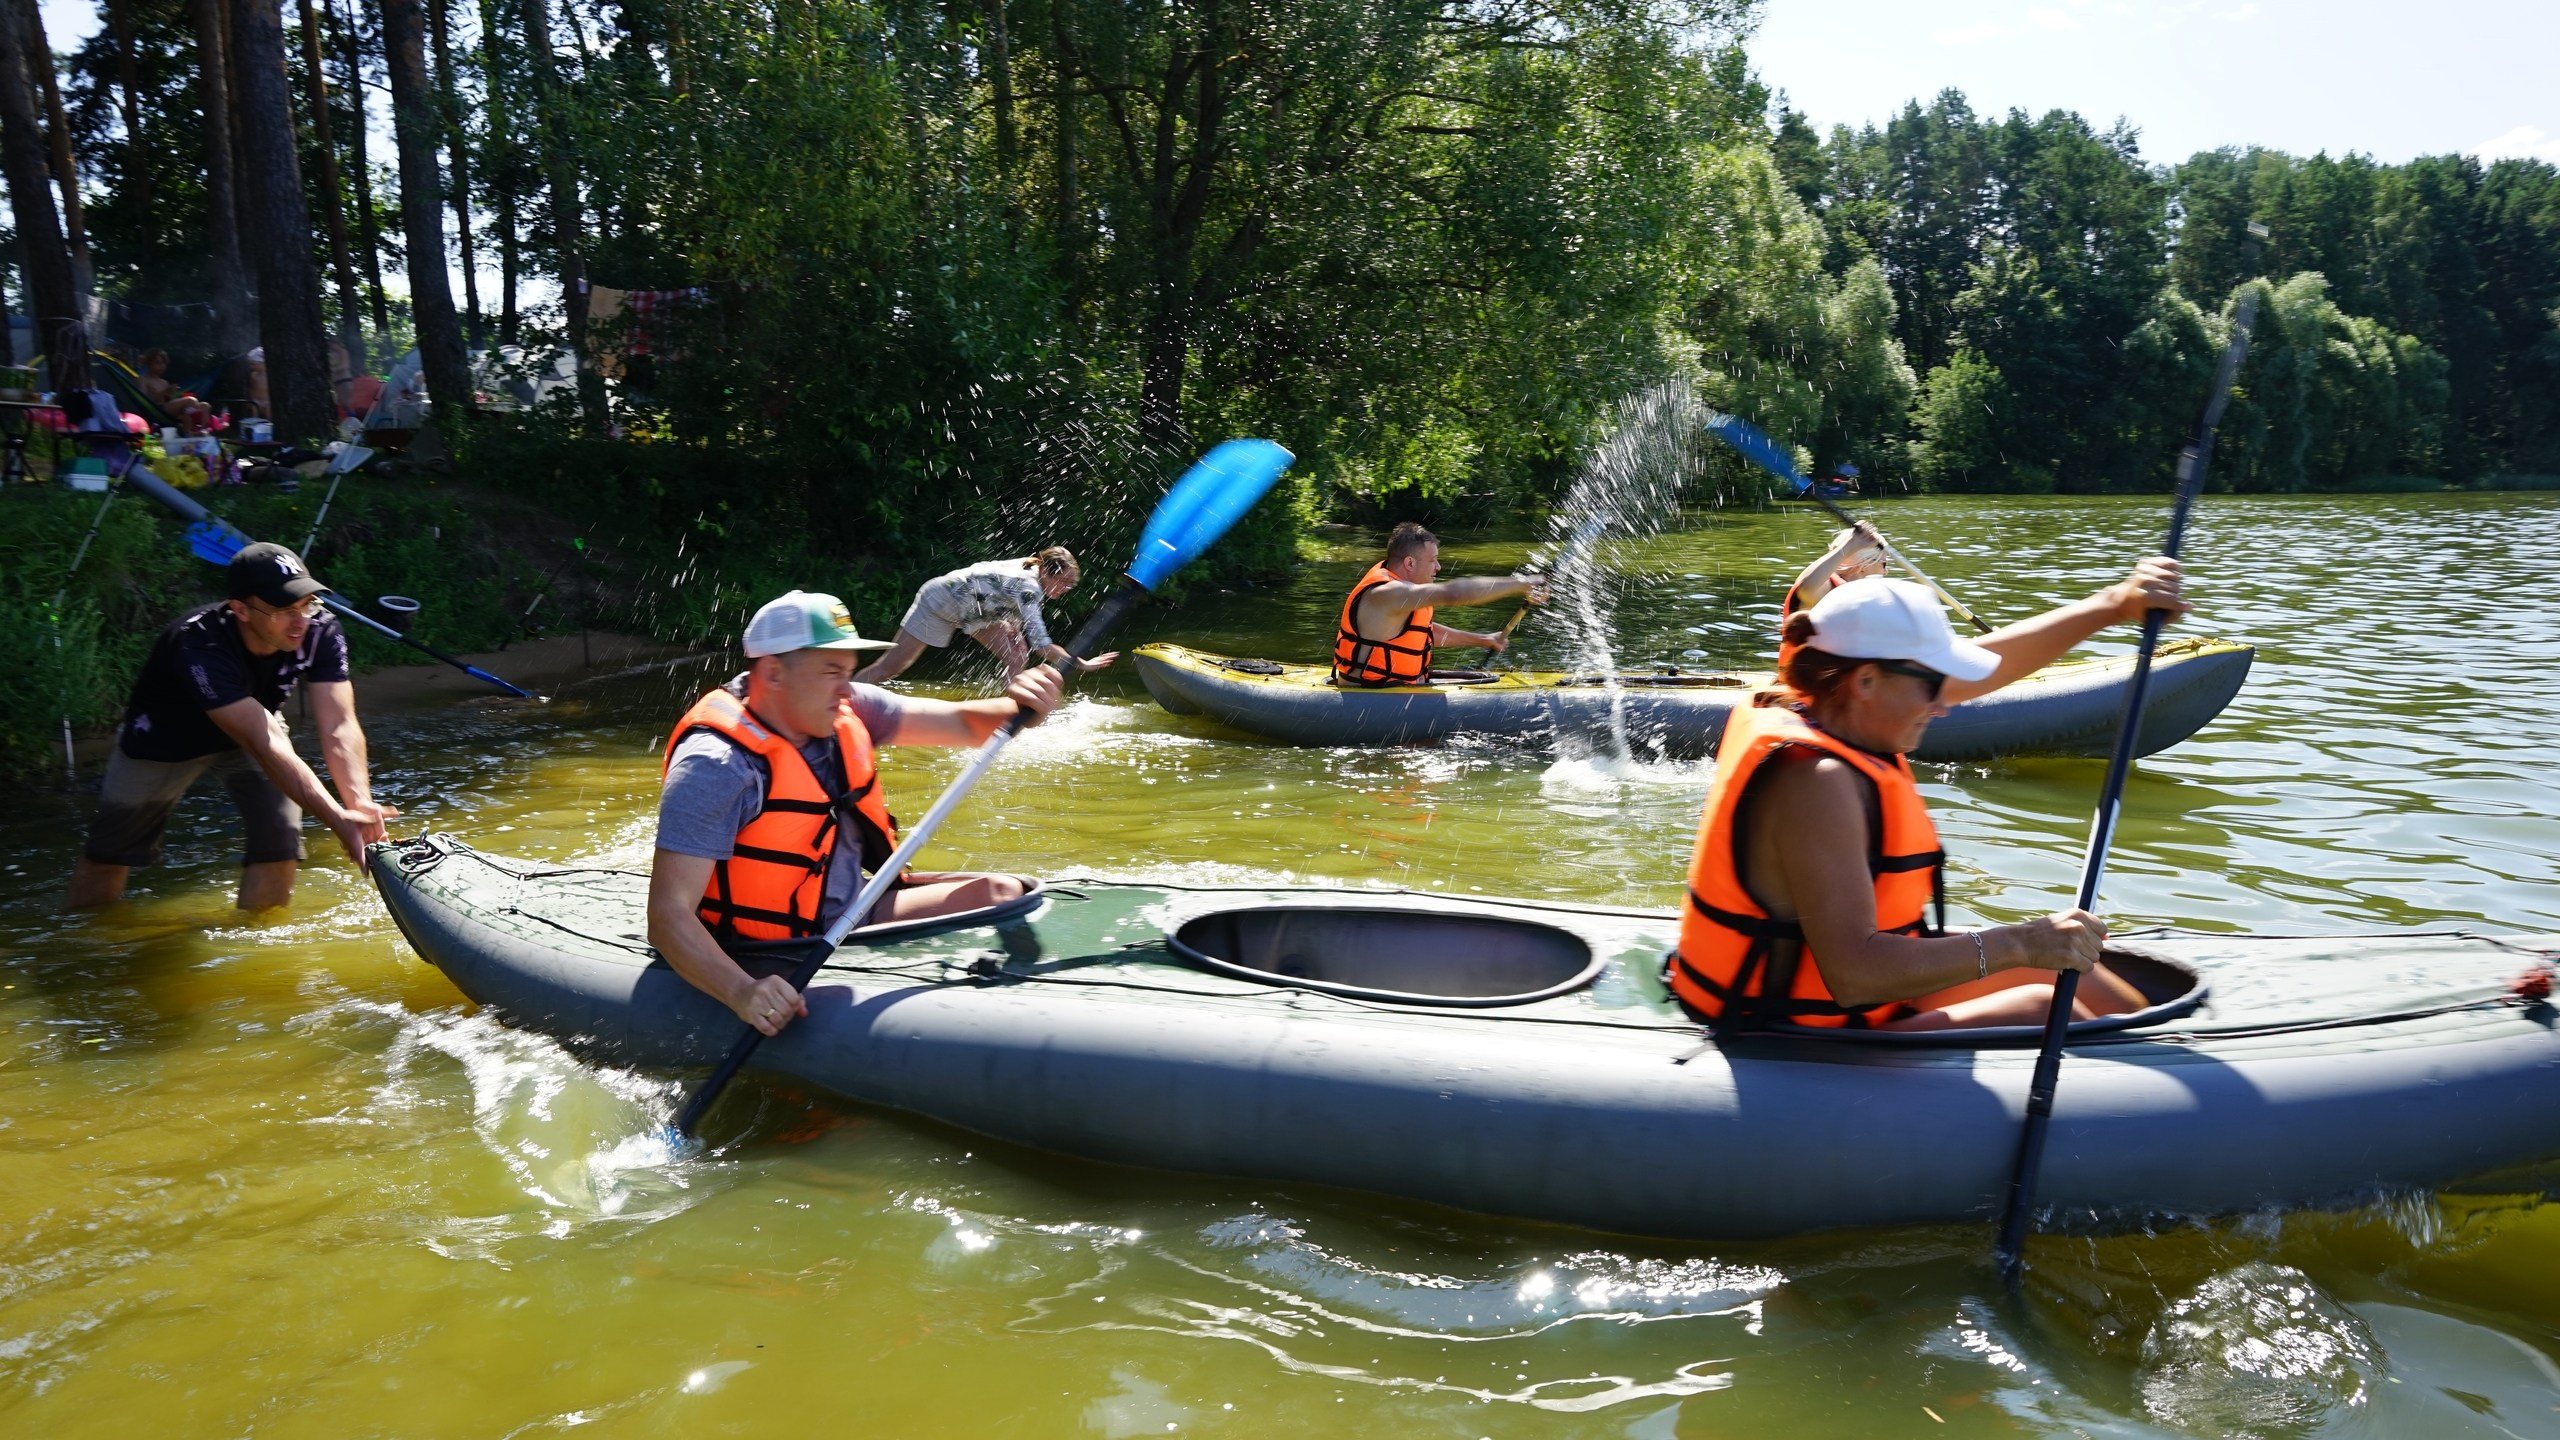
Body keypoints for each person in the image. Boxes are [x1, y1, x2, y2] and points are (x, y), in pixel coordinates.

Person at [1669, 563, 2188, 1033]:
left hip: (1854, 999)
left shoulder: (1831, 692)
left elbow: (1990, 663)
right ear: (1866, 681)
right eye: (1932, 684)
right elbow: (1854, 976)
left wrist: (2114, 604)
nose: (1944, 704)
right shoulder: (1816, 780)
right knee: (2042, 1006)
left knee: (2090, 986)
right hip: (1790, 1030)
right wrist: (2021, 942)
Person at [650, 590, 1067, 1036]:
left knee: (1001, 891)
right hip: (771, 947)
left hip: (852, 912)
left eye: (849, 671)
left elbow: (966, 724)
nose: (847, 689)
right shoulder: (717, 765)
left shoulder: (845, 708)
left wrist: (1026, 705)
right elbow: (668, 917)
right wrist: (741, 992)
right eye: (832, 672)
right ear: (772, 673)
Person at [64, 544, 395, 911]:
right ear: (240, 609)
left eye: (308, 604)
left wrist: (357, 804)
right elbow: (263, 740)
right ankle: (84, 937)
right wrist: (335, 818)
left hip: (256, 726)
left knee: (280, 843)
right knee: (110, 854)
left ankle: (259, 947)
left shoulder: (319, 629)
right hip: (164, 742)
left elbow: (339, 723)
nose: (301, 620)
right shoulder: (199, 643)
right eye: (285, 610)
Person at [854, 547, 1117, 685]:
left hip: (972, 611)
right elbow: (1042, 646)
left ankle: (1007, 717)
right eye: (1066, 583)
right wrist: (1081, 663)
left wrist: (1011, 623)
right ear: (1048, 573)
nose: (1068, 590)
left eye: (1072, 586)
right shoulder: (1030, 587)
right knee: (891, 667)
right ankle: (843, 700)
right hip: (940, 601)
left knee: (1016, 655)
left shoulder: (1032, 567)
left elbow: (996, 588)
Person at [1331, 522, 1548, 686]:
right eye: (1433, 560)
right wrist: (1521, 583)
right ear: (1409, 563)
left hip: (1398, 689)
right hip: (1370, 697)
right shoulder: (1388, 593)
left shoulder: (1400, 597)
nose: (1439, 567)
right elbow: (1452, 594)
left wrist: (1482, 640)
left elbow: (1424, 632)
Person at [1778, 520, 1889, 671]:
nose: (1886, 572)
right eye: (1884, 564)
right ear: (1864, 565)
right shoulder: (1825, 587)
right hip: (1807, 687)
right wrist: (1851, 545)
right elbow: (1805, 589)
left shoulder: (1863, 597)